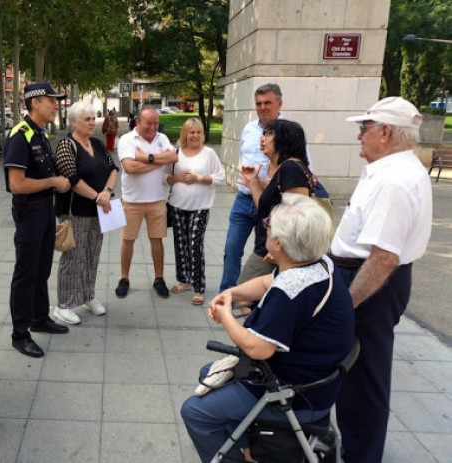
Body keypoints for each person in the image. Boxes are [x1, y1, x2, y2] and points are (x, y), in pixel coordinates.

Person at [181, 194, 354, 463]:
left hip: (295, 394)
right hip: (316, 382)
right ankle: (249, 447)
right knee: (209, 373)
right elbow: (266, 283)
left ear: (278, 244)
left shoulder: (291, 291)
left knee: (194, 412)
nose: (266, 227)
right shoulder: (319, 264)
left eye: (268, 225)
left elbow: (257, 348)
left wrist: (226, 315)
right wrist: (231, 293)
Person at [333, 97, 432, 463]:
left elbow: (383, 258)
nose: (359, 136)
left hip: (370, 284)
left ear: (385, 133)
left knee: (364, 377)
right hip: (366, 278)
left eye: (364, 128)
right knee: (355, 373)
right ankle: (355, 447)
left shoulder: (394, 180)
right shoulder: (388, 169)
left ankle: (361, 455)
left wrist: (346, 305)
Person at [3, 82, 71, 358]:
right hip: (29, 212)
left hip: (45, 210)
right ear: (35, 103)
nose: (56, 105)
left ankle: (39, 318)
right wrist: (53, 181)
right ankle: (20, 333)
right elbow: (16, 184)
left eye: (56, 101)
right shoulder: (21, 135)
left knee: (42, 269)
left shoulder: (39, 134)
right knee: (25, 274)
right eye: (51, 100)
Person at [52, 101, 118, 325]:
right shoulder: (66, 145)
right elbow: (72, 179)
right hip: (75, 213)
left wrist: (107, 192)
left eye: (93, 118)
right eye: (87, 119)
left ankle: (88, 295)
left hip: (99, 212)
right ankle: (64, 304)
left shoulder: (98, 144)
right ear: (73, 122)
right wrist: (97, 196)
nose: (92, 123)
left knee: (92, 255)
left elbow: (113, 169)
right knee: (73, 258)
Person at [220, 83, 283, 292]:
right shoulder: (248, 129)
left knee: (267, 254)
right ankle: (228, 296)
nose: (262, 107)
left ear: (279, 104)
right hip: (243, 199)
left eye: (267, 103)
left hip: (270, 204)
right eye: (258, 103)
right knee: (231, 249)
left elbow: (304, 167)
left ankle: (259, 297)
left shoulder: (289, 131)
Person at [237, 119, 312, 285]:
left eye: (269, 134)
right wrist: (253, 182)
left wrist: (282, 246)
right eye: (264, 133)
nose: (263, 138)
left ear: (284, 139)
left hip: (277, 250)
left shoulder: (291, 168)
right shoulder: (283, 169)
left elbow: (299, 214)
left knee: (242, 294)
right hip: (270, 247)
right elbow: (264, 210)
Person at [115, 107, 177, 299]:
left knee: (157, 240)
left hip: (157, 199)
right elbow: (130, 167)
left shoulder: (162, 138)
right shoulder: (126, 140)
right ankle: (124, 278)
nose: (153, 127)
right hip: (131, 200)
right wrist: (158, 161)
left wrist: (146, 157)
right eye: (148, 123)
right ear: (138, 123)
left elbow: (174, 156)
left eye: (156, 123)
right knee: (128, 240)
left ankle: (159, 279)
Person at [166, 118, 225, 306]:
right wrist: (178, 178)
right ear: (185, 134)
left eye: (198, 132)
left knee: (194, 244)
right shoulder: (176, 153)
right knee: (180, 244)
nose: (195, 135)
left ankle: (199, 286)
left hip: (200, 206)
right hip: (177, 205)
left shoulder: (209, 154)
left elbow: (221, 178)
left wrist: (199, 178)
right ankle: (184, 280)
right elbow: (166, 179)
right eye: (191, 132)